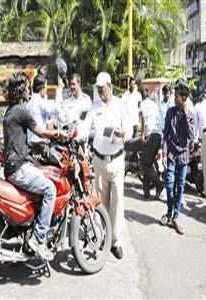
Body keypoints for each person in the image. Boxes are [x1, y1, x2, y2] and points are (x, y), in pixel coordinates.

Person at [3, 72, 67, 260]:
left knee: (43, 175)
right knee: (49, 189)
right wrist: (58, 134)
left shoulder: (11, 110)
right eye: (28, 86)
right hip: (18, 168)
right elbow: (40, 131)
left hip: (16, 165)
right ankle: (38, 238)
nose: (30, 90)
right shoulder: (22, 110)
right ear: (23, 89)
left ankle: (33, 228)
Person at [86, 72, 132, 259]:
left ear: (110, 87)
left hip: (116, 160)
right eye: (97, 89)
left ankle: (115, 241)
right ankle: (102, 236)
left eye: (102, 88)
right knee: (100, 201)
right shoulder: (94, 107)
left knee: (117, 202)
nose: (99, 91)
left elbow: (129, 129)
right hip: (98, 160)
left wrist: (123, 133)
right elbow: (85, 127)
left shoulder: (120, 105)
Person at [160, 79, 196, 235]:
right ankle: (170, 209)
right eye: (174, 95)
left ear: (184, 98)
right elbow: (166, 133)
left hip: (183, 154)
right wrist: (162, 151)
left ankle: (175, 216)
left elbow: (191, 135)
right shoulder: (170, 112)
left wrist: (186, 114)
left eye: (177, 96)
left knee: (180, 186)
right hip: (171, 153)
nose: (174, 98)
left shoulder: (190, 114)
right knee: (169, 183)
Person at [125, 86, 163, 199]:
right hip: (159, 135)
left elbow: (142, 121)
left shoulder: (142, 104)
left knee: (144, 164)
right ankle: (146, 193)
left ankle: (159, 183)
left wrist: (141, 136)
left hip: (150, 135)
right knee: (148, 163)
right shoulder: (155, 104)